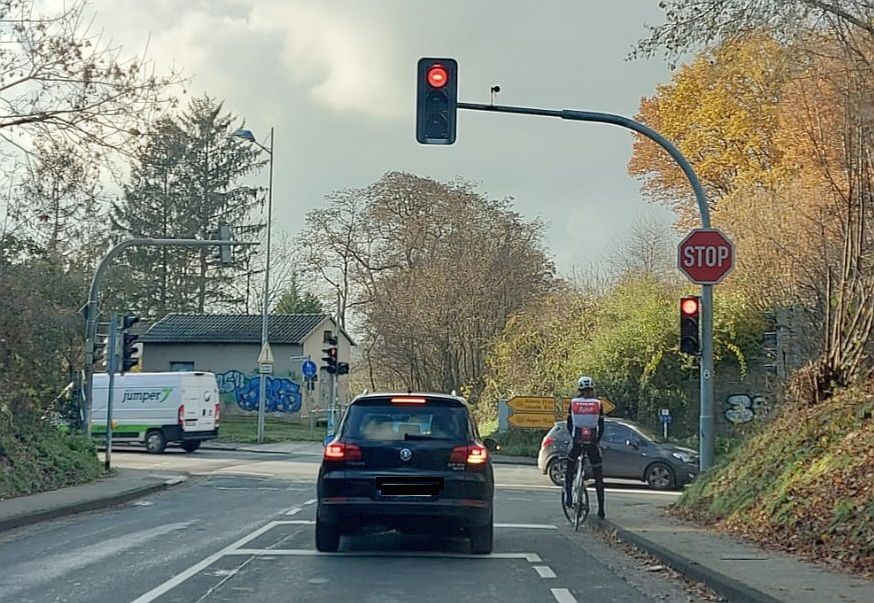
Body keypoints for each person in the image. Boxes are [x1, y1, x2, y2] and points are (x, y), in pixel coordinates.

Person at [564, 376, 606, 519]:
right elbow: (602, 426)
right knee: (598, 475)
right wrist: (597, 441)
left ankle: (568, 496)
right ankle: (601, 510)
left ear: (580, 390)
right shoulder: (598, 404)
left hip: (577, 441)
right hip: (592, 442)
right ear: (591, 390)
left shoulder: (573, 403)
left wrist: (573, 437)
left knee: (570, 466)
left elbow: (569, 424)